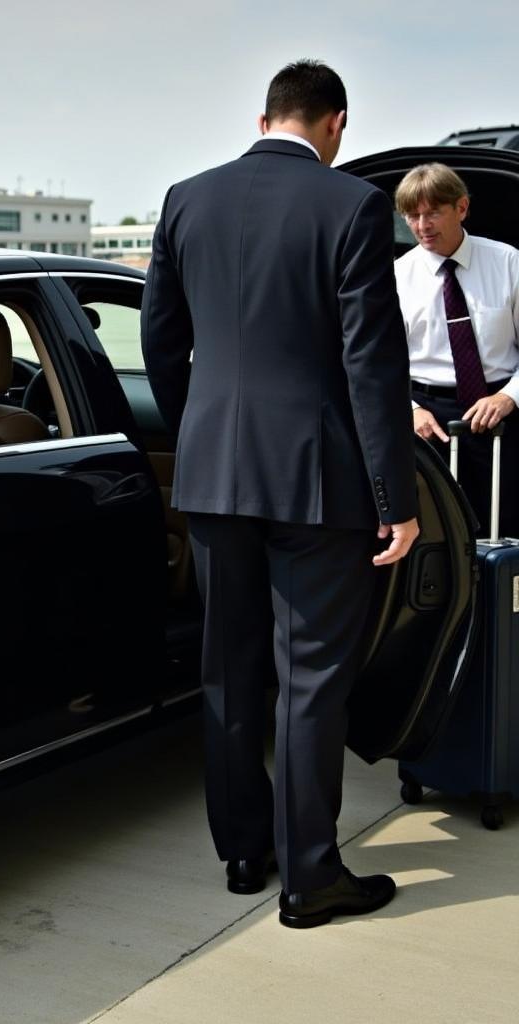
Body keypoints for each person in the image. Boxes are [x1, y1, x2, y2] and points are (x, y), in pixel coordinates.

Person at [141, 60, 419, 928]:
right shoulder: (353, 206)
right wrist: (396, 497)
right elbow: (373, 366)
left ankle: (243, 853)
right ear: (335, 123)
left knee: (229, 673)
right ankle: (310, 878)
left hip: (215, 475)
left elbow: (159, 339)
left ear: (265, 118)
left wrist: (203, 435)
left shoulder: (187, 197)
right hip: (316, 478)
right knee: (310, 682)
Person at [394, 163, 519, 537]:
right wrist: (411, 411)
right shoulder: (396, 277)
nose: (421, 225)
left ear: (461, 208)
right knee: (442, 537)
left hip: (502, 413)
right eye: (411, 215)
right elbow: (381, 363)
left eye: (433, 212)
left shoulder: (508, 263)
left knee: (505, 528)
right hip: (429, 422)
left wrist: (508, 397)